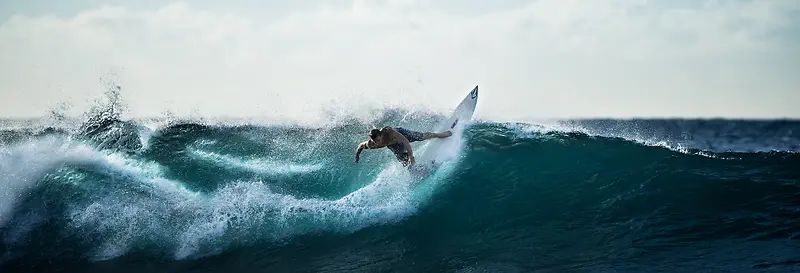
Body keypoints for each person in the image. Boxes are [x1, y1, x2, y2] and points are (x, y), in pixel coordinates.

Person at [355, 126, 452, 166]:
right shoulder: (372, 144)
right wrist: (357, 156)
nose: (377, 143)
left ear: (381, 135)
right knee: (405, 162)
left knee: (421, 137)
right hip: (393, 145)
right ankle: (417, 169)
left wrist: (412, 156)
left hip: (401, 135)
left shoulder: (389, 132)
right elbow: (360, 146)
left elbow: (405, 142)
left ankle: (439, 135)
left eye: (378, 140)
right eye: (375, 141)